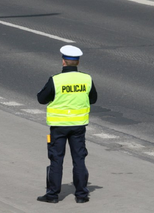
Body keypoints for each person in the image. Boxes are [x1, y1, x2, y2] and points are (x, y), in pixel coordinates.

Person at [37, 45, 97, 204]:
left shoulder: (56, 80)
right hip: (78, 126)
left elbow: (41, 99)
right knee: (79, 159)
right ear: (77, 62)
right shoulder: (86, 79)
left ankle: (52, 195)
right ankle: (82, 195)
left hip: (58, 127)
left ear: (63, 61)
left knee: (56, 159)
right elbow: (93, 99)